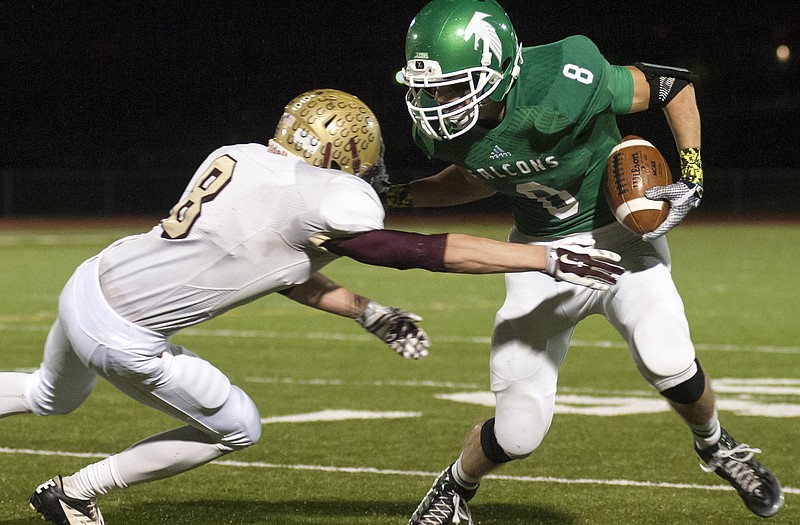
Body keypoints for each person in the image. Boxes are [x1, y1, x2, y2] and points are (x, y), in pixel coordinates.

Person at [0, 88, 624, 525]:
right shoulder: (326, 197)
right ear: (343, 153)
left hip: (89, 284)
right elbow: (413, 249)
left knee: (51, 396)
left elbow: (277, 270)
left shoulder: (240, 157)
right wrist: (543, 258)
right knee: (237, 427)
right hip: (125, 335)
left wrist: (366, 311)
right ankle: (76, 493)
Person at [385, 1, 785, 523]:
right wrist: (403, 197)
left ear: (501, 67)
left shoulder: (568, 74)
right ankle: (455, 488)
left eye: (454, 85)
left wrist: (691, 174)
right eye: (430, 88)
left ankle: (717, 446)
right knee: (518, 432)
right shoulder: (446, 127)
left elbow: (672, 85)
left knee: (668, 360)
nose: (437, 101)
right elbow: (478, 173)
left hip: (621, 241)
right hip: (541, 256)